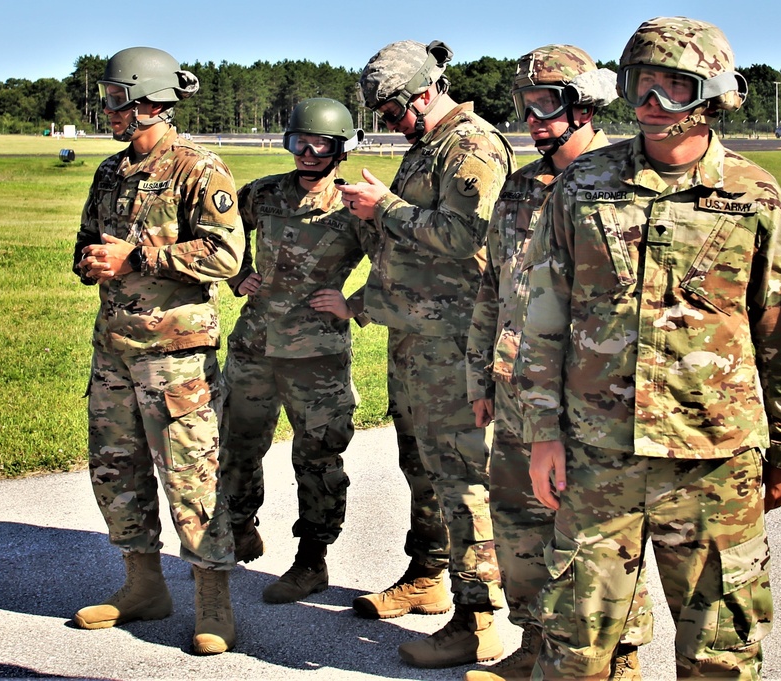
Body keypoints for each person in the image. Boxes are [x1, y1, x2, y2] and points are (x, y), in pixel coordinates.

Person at [515, 17, 781, 680]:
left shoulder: (753, 195)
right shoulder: (582, 186)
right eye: (639, 84)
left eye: (672, 86)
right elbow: (544, 314)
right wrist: (542, 430)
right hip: (598, 458)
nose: (651, 101)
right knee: (573, 648)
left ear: (710, 94)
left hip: (714, 463)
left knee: (722, 650)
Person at [464, 45, 652, 681]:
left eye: (547, 105)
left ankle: (616, 658)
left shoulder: (618, 183)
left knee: (594, 538)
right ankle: (535, 645)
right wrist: (480, 373)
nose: (534, 119)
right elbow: (492, 287)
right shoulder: (519, 187)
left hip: (589, 398)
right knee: (518, 526)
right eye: (527, 105)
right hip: (519, 389)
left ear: (585, 105)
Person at [337, 39, 514, 669]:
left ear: (421, 95)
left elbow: (470, 239)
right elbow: (409, 244)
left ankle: (479, 619)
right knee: (423, 465)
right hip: (415, 336)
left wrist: (383, 206)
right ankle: (430, 576)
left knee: (462, 476)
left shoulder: (471, 147)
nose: (385, 124)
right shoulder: (427, 147)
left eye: (389, 112)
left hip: (453, 343)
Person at [70, 46, 244, 655]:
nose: (109, 111)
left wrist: (137, 255)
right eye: (107, 99)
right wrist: (91, 261)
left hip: (176, 359)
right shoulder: (111, 172)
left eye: (117, 100)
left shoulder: (200, 170)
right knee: (116, 468)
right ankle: (143, 586)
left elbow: (226, 257)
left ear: (151, 101)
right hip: (114, 348)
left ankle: (213, 603)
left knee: (193, 476)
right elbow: (89, 241)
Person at [218, 98, 375, 604]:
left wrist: (354, 304)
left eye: (320, 144)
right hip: (254, 346)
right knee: (236, 443)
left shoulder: (354, 206)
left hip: (317, 356)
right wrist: (239, 275)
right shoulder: (263, 194)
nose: (307, 153)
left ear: (340, 149)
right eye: (299, 143)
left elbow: (401, 265)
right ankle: (239, 526)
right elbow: (219, 234)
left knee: (318, 458)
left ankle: (312, 561)